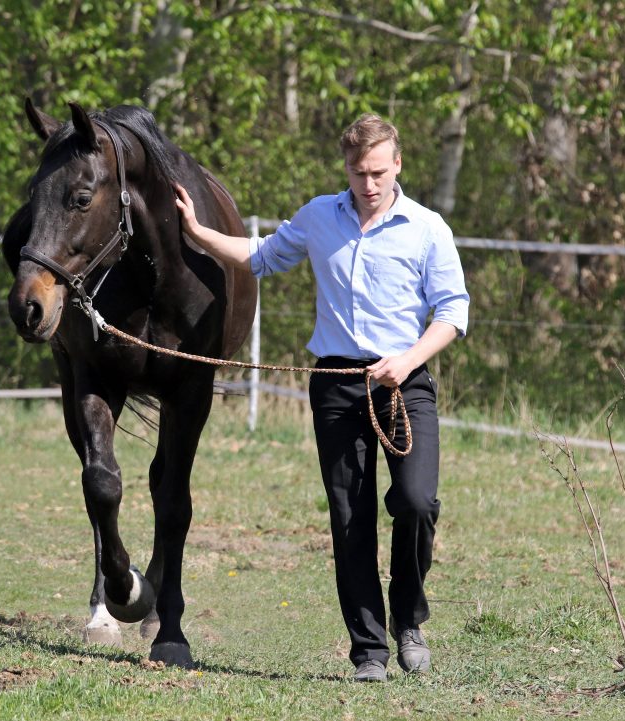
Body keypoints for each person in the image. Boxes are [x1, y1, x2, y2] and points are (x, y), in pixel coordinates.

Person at [174, 113, 469, 682]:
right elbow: (260, 256)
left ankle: (408, 619)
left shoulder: (427, 227)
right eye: (359, 173)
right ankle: (369, 651)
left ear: (398, 164)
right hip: (336, 385)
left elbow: (453, 312)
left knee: (415, 502)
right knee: (350, 518)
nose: (370, 184)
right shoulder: (317, 217)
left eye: (379, 172)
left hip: (404, 384)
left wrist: (408, 359)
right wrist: (197, 232)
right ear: (347, 170)